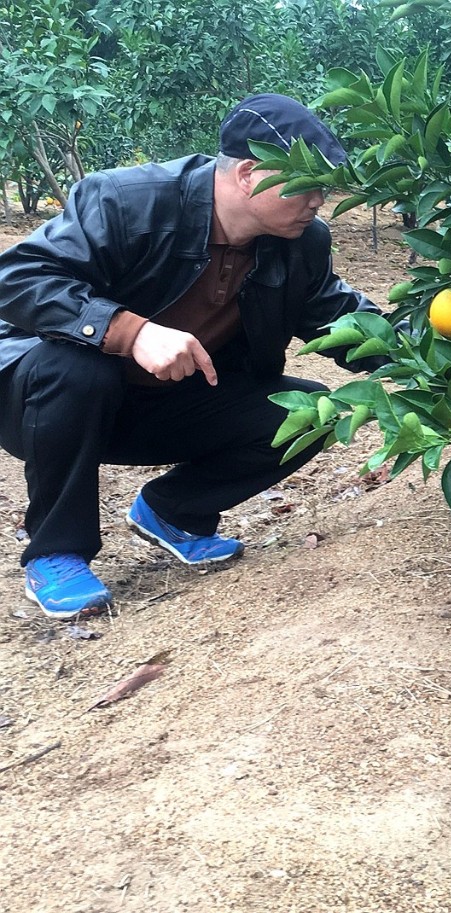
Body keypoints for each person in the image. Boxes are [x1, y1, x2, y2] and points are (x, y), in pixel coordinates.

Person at [0, 94, 385, 619]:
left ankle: (173, 511)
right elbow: (17, 278)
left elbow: (341, 319)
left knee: (311, 413)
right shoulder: (127, 201)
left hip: (160, 407)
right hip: (41, 402)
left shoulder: (299, 243)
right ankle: (56, 551)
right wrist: (129, 331)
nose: (321, 199)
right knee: (79, 365)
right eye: (309, 185)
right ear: (250, 174)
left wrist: (430, 354)